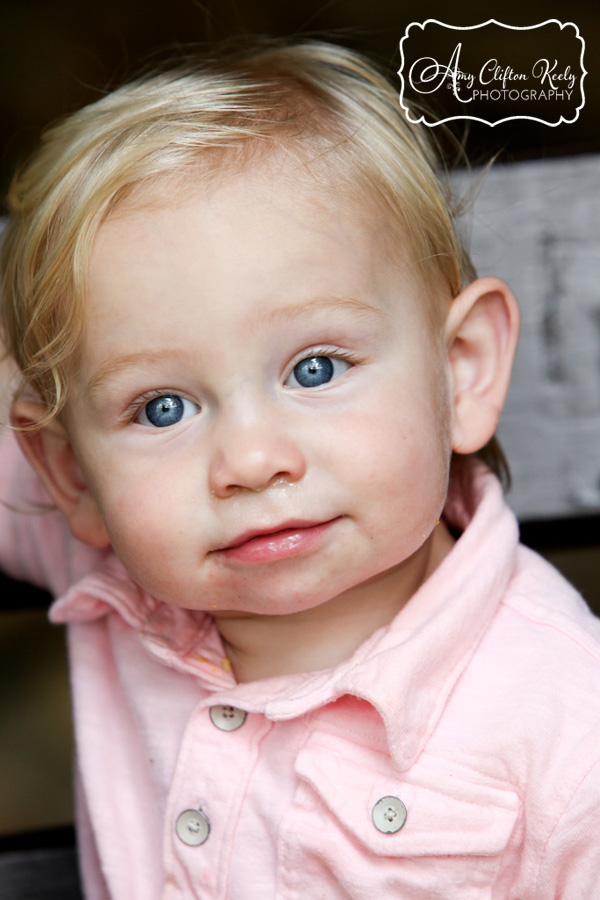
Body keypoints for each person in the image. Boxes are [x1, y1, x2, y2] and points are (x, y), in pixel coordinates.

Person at [1, 37, 599, 900]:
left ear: (459, 369)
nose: (249, 461)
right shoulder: (116, 549)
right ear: (71, 476)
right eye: (163, 407)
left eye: (314, 369)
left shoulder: (561, 728)